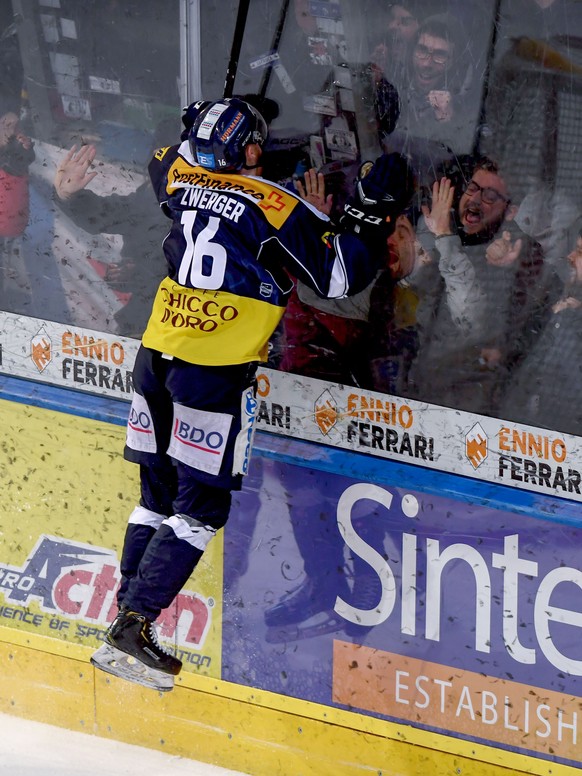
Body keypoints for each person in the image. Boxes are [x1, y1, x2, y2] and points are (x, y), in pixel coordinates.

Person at [89, 97, 416, 691]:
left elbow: (165, 155)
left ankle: (124, 621)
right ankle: (133, 625)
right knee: (201, 509)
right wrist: (371, 210)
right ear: (253, 151)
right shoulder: (275, 203)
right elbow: (340, 277)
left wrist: (199, 124)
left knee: (155, 498)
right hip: (212, 372)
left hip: (155, 357)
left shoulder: (180, 176)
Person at [406, 155, 561, 415]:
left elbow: (472, 324)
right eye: (473, 189)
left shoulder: (514, 259)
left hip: (458, 403)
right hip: (411, 384)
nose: (476, 199)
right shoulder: (438, 226)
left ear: (510, 211)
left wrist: (444, 238)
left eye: (489, 195)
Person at [53, 122, 177, 338]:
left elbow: (186, 269)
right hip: (144, 324)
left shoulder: (196, 210)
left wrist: (140, 273)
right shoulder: (149, 199)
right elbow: (108, 213)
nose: (158, 168)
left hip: (180, 331)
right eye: (157, 156)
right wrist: (69, 196)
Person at [499, 226, 582, 434]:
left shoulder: (570, 317)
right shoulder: (562, 294)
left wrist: (569, 321)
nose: (571, 257)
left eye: (580, 252)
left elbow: (569, 392)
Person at [0, 97, 34, 307]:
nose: (11, 130)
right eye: (6, 125)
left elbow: (23, 159)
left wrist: (24, 148)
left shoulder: (18, 150)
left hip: (9, 226)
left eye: (15, 125)